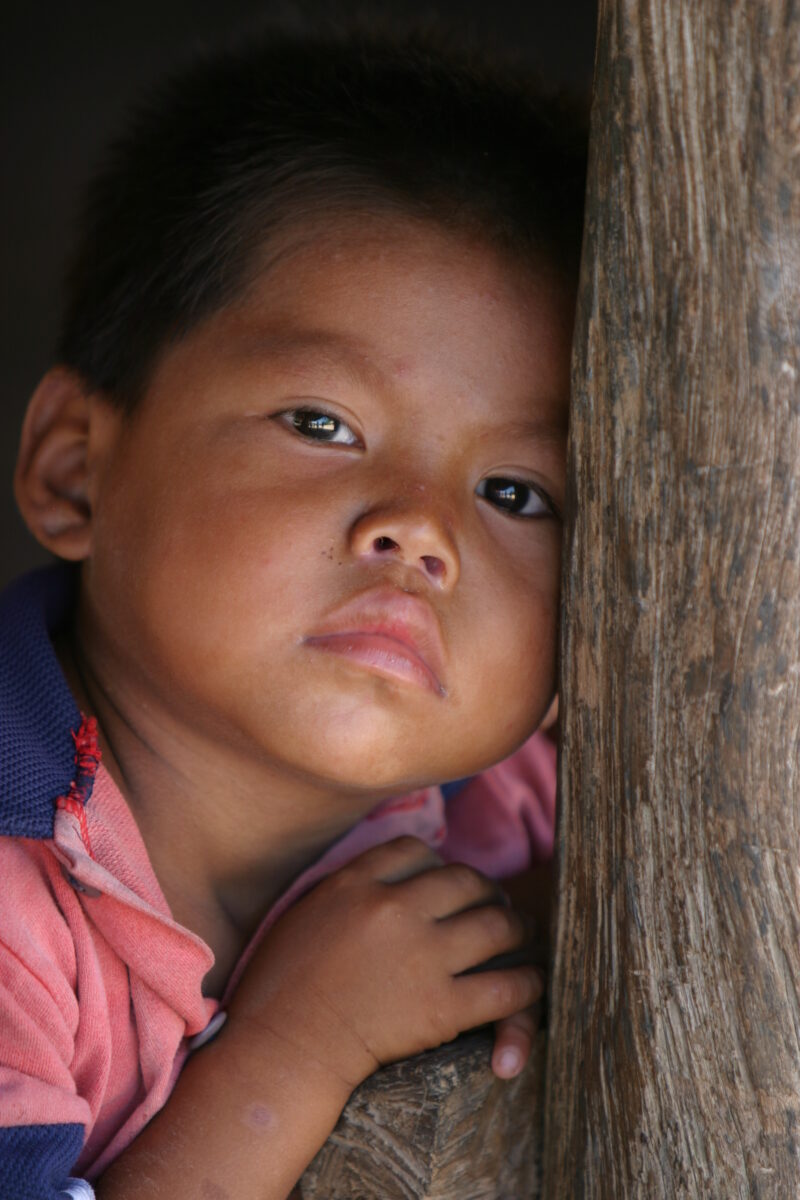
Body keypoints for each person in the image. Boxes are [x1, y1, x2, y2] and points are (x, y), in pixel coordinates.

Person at [0, 24, 585, 1200]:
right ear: (77, 470)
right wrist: (292, 1051)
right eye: (322, 424)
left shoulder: (521, 811)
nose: (417, 529)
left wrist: (554, 954)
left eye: (513, 492)